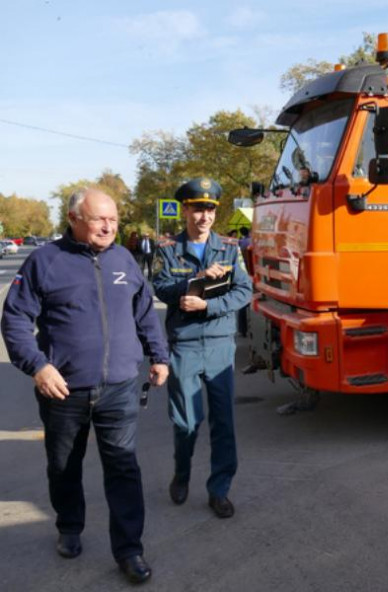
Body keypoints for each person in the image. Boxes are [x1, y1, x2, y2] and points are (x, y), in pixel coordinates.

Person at [1, 188, 169, 584]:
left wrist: (158, 355)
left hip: (120, 388)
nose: (109, 226)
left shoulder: (124, 259)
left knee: (124, 468)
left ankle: (130, 550)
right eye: (99, 219)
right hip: (64, 392)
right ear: (75, 219)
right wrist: (39, 367)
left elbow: (143, 311)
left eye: (113, 218)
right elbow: (15, 321)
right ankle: (69, 527)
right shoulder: (45, 261)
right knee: (64, 466)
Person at [152, 177, 252, 519]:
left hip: (220, 345)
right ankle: (182, 474)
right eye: (197, 209)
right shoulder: (167, 248)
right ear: (185, 210)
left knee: (223, 422)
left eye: (210, 209)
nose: (204, 216)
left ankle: (219, 489)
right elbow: (160, 287)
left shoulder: (228, 248)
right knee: (186, 423)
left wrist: (209, 306)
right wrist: (193, 285)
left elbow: (244, 292)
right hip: (185, 346)